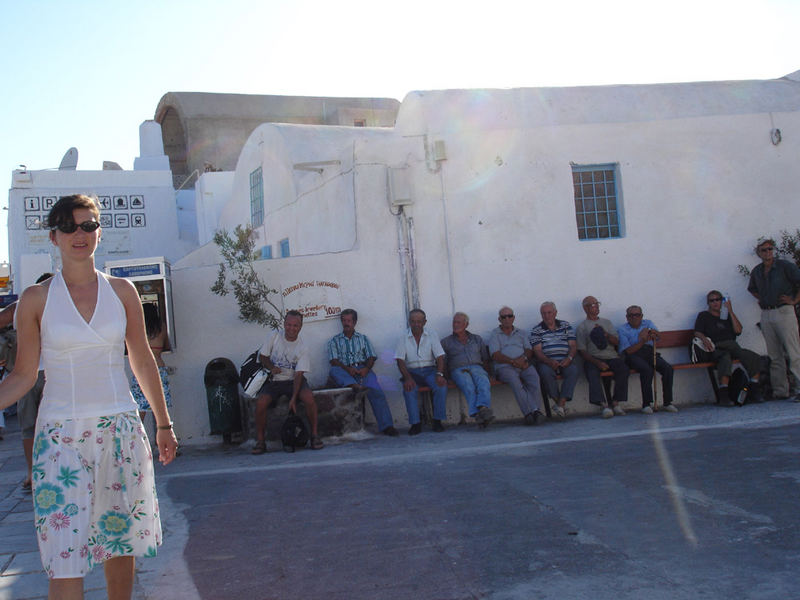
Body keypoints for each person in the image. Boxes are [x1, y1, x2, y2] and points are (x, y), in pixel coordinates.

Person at [0, 194, 177, 599]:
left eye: (89, 225)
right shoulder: (35, 299)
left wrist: (164, 424)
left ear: (99, 231)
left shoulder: (123, 291)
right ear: (54, 236)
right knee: (64, 554)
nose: (79, 234)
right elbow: (24, 375)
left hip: (120, 429)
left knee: (121, 544)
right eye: (69, 227)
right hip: (60, 437)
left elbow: (143, 362)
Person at [252, 310, 324, 454]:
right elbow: (263, 356)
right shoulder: (274, 336)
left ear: (301, 327)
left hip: (293, 381)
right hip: (274, 381)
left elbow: (298, 375)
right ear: (284, 324)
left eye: (295, 325)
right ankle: (260, 442)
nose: (291, 328)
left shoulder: (303, 347)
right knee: (261, 403)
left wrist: (293, 398)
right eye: (289, 325)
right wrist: (272, 368)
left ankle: (314, 436)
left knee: (309, 399)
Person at [327, 308, 398, 436]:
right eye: (343, 320)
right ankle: (354, 385)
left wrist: (366, 369)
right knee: (334, 370)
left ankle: (387, 426)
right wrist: (348, 369)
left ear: (355, 322)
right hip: (345, 370)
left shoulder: (363, 339)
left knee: (377, 393)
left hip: (362, 370)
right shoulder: (334, 340)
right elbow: (333, 360)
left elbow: (371, 356)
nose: (346, 323)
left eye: (349, 320)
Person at [747, 239, 800, 400]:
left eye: (770, 249)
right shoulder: (757, 271)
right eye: (764, 250)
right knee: (774, 355)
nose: (767, 252)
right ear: (759, 253)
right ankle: (780, 391)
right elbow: (752, 289)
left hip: (784, 312)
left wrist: (794, 300)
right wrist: (763, 298)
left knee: (793, 352)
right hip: (767, 314)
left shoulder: (785, 267)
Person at [16, 273, 53, 490]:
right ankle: (33, 471)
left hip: (49, 373)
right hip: (31, 373)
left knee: (39, 425)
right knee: (30, 425)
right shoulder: (29, 305)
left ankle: (38, 470)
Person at [694, 290, 762, 404]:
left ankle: (754, 390)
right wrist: (705, 340)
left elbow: (738, 330)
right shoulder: (704, 316)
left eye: (718, 299)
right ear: (708, 303)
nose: (715, 302)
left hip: (732, 347)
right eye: (712, 300)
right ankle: (724, 395)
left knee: (751, 356)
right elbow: (697, 332)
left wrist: (730, 311)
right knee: (725, 358)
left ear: (722, 301)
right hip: (715, 348)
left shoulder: (726, 316)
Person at [395, 309, 448, 435]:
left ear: (424, 322)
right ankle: (415, 424)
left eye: (419, 321)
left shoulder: (432, 334)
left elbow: (440, 357)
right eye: (413, 321)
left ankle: (437, 421)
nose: (416, 324)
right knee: (409, 389)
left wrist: (439, 374)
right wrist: (407, 378)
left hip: (430, 370)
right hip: (412, 372)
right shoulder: (403, 337)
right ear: (409, 322)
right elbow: (400, 360)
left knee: (441, 386)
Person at [488, 306, 544, 425]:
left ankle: (533, 413)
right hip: (504, 367)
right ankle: (532, 412)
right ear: (499, 319)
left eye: (509, 316)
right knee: (515, 381)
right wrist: (513, 362)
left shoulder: (521, 333)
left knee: (534, 378)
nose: (507, 319)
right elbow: (495, 355)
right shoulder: (495, 334)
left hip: (523, 364)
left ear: (513, 318)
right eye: (504, 317)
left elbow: (529, 350)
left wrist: (523, 359)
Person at [618, 305, 678, 414]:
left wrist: (651, 332)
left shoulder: (647, 323)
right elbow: (628, 351)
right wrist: (642, 340)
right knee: (647, 370)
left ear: (642, 316)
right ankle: (646, 404)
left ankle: (668, 402)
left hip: (649, 352)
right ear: (627, 317)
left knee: (668, 368)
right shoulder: (622, 329)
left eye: (637, 315)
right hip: (633, 355)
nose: (634, 317)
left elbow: (658, 336)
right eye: (631, 315)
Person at [576, 296, 629, 418]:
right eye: (593, 304)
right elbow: (582, 351)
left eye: (597, 304)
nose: (596, 306)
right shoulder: (582, 327)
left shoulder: (607, 322)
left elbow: (616, 342)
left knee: (623, 369)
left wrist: (605, 334)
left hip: (611, 356)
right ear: (585, 308)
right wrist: (597, 363)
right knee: (591, 371)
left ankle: (615, 403)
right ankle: (603, 405)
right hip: (594, 358)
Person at [441, 312, 495, 427]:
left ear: (466, 324)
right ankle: (480, 413)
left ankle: (482, 409)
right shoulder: (446, 342)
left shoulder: (476, 339)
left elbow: (485, 358)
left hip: (477, 367)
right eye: (454, 322)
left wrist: (489, 373)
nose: (455, 325)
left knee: (483, 382)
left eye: (458, 322)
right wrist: (446, 377)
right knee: (468, 385)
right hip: (457, 369)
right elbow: (443, 363)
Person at [530, 301, 578, 419]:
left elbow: (573, 345)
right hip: (547, 361)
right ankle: (560, 404)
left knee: (573, 370)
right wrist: (549, 361)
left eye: (549, 312)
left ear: (555, 313)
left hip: (565, 359)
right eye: (543, 313)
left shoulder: (566, 326)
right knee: (545, 372)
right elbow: (537, 351)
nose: (546, 316)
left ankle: (560, 404)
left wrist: (569, 358)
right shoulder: (537, 330)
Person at [129, 303, 172, 425]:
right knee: (160, 406)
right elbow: (167, 345)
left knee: (140, 406)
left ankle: (139, 435)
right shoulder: (162, 327)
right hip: (159, 366)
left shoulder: (138, 327)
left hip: (142, 367)